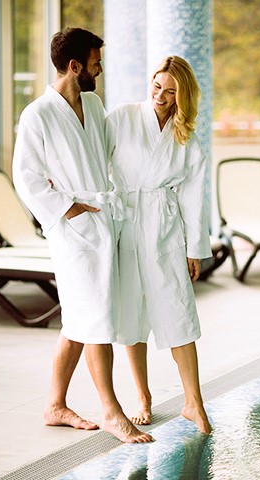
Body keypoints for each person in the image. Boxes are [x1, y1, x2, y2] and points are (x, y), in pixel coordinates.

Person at [12, 27, 153, 444]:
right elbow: (26, 178)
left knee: (79, 319)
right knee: (97, 320)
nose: (100, 69)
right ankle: (112, 411)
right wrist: (68, 209)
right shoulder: (37, 114)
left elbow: (112, 151)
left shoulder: (92, 103)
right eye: (95, 63)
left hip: (103, 220)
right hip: (73, 230)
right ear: (74, 67)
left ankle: (55, 405)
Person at [105, 55, 213, 434]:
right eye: (157, 87)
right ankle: (143, 397)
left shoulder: (185, 135)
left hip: (164, 226)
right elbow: (91, 159)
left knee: (178, 311)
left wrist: (194, 247)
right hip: (125, 222)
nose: (161, 96)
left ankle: (193, 402)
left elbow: (194, 194)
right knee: (131, 315)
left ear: (183, 95)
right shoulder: (121, 117)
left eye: (170, 91)